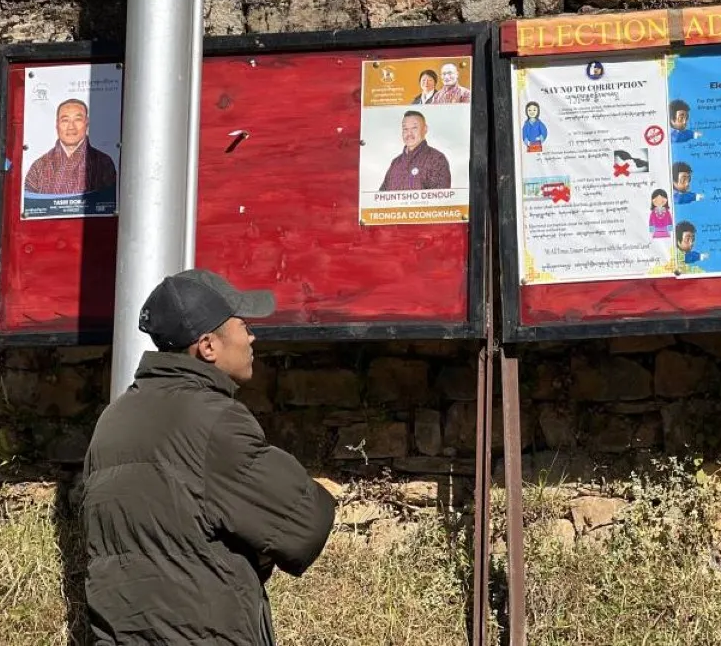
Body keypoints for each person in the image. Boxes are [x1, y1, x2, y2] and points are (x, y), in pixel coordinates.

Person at [81, 269, 335, 646]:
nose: (252, 337)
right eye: (243, 326)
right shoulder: (215, 420)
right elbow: (303, 525)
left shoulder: (113, 419)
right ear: (208, 346)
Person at [24, 98, 117, 195]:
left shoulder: (103, 162)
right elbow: (30, 201)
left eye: (78, 120)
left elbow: (111, 199)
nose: (71, 127)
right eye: (65, 120)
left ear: (86, 123)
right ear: (57, 125)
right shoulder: (39, 166)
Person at [379, 110, 452, 191]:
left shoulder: (436, 159)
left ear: (425, 129)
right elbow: (382, 195)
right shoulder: (395, 163)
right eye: (405, 129)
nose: (409, 133)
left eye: (414, 128)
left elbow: (441, 196)